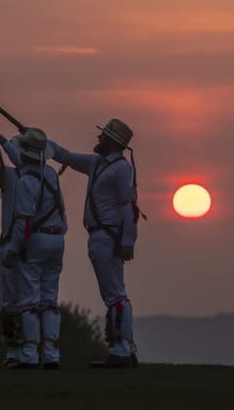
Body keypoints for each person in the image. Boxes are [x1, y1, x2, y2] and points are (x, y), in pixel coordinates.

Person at [48, 119, 142, 368]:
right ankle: (124, 348)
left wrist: (128, 240)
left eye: (103, 137)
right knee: (114, 294)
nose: (98, 140)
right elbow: (65, 156)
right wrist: (39, 139)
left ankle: (121, 351)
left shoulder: (121, 169)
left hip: (107, 236)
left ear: (112, 141)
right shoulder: (96, 163)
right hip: (100, 236)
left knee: (115, 295)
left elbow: (128, 206)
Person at [2, 128, 67, 369]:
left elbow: (23, 221)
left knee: (29, 300)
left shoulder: (25, 182)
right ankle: (51, 354)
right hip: (57, 239)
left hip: (35, 242)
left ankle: (29, 353)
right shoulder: (50, 174)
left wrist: (13, 249)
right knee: (49, 300)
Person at [0, 131, 23, 368]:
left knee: (21, 302)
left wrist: (0, 143)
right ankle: (16, 352)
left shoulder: (38, 177)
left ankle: (26, 352)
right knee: (14, 302)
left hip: (21, 246)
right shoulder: (13, 176)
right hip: (13, 244)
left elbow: (0, 167)